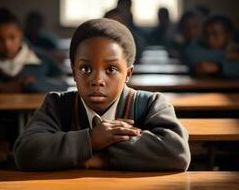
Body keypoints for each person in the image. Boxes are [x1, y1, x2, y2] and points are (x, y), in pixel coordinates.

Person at [13, 18, 190, 171]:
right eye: (85, 68)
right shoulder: (58, 105)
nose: (97, 80)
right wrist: (91, 139)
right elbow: (25, 152)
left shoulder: (151, 103)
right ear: (74, 72)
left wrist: (103, 158)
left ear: (128, 73)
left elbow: (178, 153)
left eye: (111, 69)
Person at [0, 8, 67, 93]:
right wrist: (0, 87)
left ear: (20, 34)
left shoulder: (41, 58)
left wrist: (36, 84)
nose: (7, 45)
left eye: (12, 38)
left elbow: (63, 83)